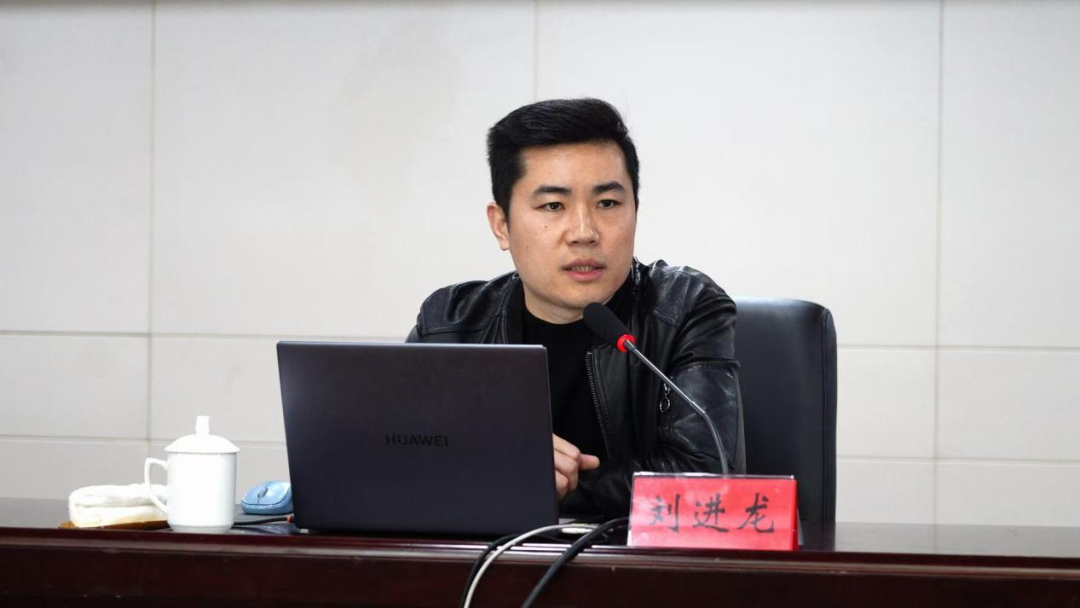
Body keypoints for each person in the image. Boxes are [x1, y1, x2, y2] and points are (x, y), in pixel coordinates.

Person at [407, 98, 745, 516]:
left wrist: (541, 483)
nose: (584, 232)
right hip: (486, 555)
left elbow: (707, 483)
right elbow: (399, 465)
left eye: (607, 204)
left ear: (635, 211)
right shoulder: (450, 323)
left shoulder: (684, 309)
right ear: (502, 225)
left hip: (637, 557)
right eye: (553, 205)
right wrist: (503, 473)